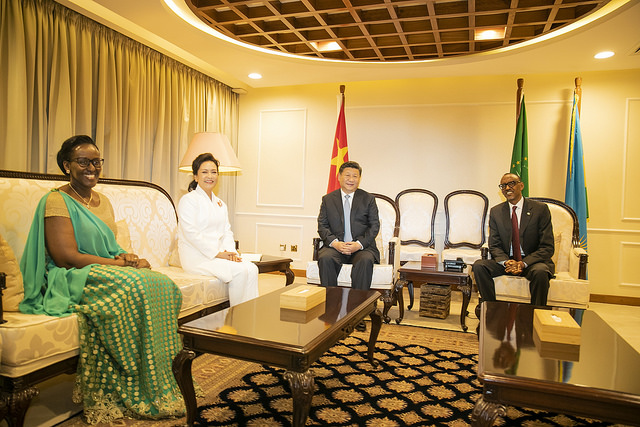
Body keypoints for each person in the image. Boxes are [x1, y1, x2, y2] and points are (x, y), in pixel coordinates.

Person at [19, 135, 184, 424]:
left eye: (96, 161)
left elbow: (107, 246)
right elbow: (65, 257)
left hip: (101, 267)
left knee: (160, 282)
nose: (91, 167)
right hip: (70, 275)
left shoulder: (102, 200)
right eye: (83, 161)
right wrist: (120, 264)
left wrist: (129, 257)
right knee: (135, 285)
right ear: (66, 165)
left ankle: (159, 379)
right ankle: (131, 383)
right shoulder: (56, 200)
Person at [177, 152, 259, 307]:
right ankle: (237, 317)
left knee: (252, 268)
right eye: (204, 172)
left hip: (218, 255)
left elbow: (227, 231)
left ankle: (250, 315)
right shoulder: (188, 201)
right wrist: (219, 254)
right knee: (240, 271)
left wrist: (231, 253)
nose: (210, 176)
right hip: (197, 257)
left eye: (214, 172)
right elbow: (191, 234)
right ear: (195, 176)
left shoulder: (220, 203)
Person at [472, 173, 555, 306]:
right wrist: (506, 262)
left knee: (541, 272)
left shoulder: (540, 209)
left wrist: (523, 263)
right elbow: (494, 245)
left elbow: (547, 247)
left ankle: (536, 315)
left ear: (521, 185)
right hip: (508, 261)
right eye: (503, 186)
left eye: (511, 184)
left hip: (532, 262)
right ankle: (492, 310)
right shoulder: (496, 212)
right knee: (479, 266)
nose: (507, 188)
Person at [317, 161, 380, 290]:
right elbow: (322, 225)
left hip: (362, 247)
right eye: (347, 175)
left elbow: (374, 226)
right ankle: (331, 304)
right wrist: (335, 243)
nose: (351, 179)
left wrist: (358, 244)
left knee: (365, 260)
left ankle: (359, 305)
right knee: (325, 258)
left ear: (359, 179)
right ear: (339, 177)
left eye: (355, 176)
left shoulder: (368, 199)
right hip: (336, 247)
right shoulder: (328, 199)